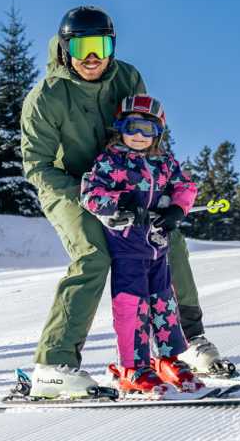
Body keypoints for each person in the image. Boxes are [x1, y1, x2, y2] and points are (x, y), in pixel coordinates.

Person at [18, 5, 232, 399]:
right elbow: (38, 166)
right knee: (93, 256)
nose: (92, 57)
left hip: (128, 180)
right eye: (81, 48)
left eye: (100, 46)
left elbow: (147, 132)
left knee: (167, 241)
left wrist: (162, 191)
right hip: (71, 187)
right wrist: (97, 202)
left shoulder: (127, 77)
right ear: (65, 49)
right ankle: (53, 365)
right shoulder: (45, 97)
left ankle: (189, 341)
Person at [80, 95, 203, 395]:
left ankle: (169, 359)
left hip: (158, 246)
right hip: (127, 249)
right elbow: (90, 194)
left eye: (147, 129)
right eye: (132, 126)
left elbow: (185, 186)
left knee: (165, 305)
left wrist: (177, 209)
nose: (138, 135)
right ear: (120, 127)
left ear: (157, 133)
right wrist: (120, 202)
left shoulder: (165, 162)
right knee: (132, 307)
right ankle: (132, 367)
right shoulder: (110, 161)